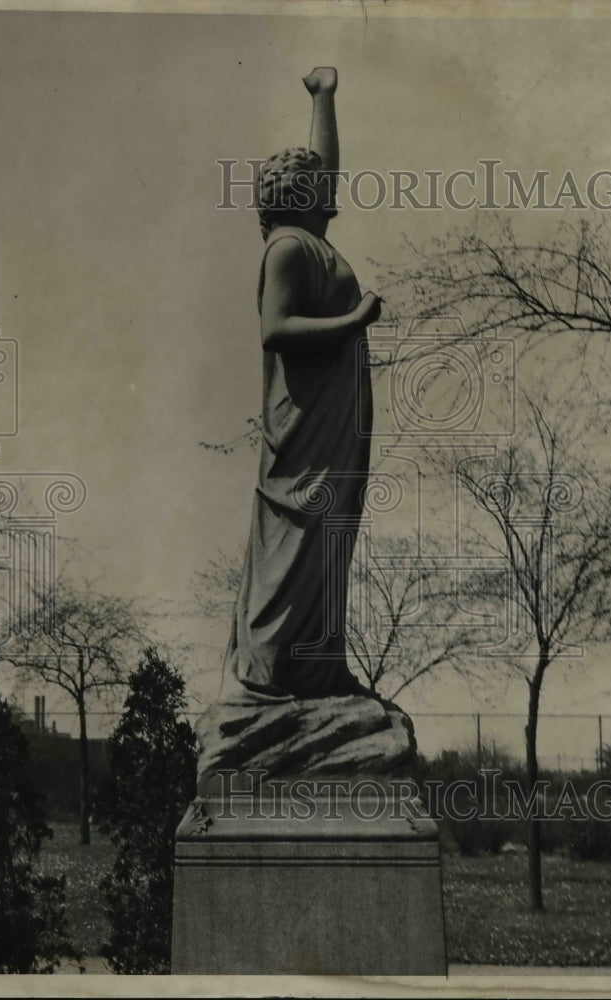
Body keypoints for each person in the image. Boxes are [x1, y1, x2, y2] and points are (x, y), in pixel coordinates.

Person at [221, 67, 382, 700]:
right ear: (299, 195)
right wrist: (355, 319)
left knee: (331, 532)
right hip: (305, 426)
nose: (331, 187)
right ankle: (273, 669)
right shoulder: (289, 248)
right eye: (320, 183)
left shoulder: (311, 237)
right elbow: (276, 329)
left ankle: (317, 665)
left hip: (334, 418)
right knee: (301, 529)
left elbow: (326, 162)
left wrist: (324, 98)